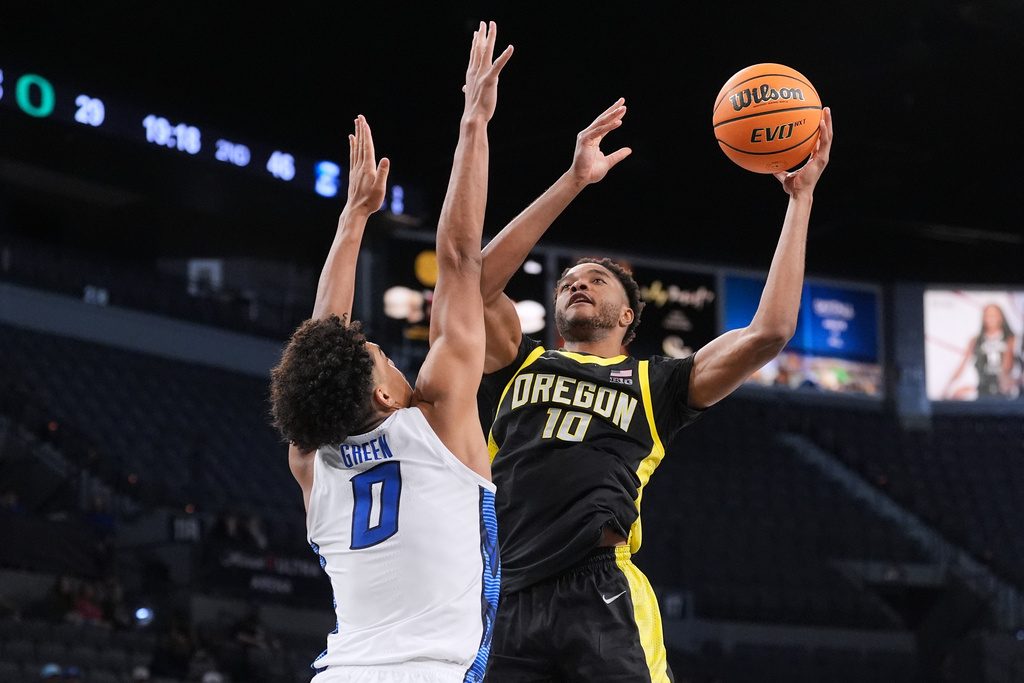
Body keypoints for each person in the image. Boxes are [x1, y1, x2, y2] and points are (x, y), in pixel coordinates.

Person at [477, 103, 833, 681]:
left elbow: (771, 331)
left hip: (599, 588)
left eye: (595, 279)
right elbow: (477, 282)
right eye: (568, 281)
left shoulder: (656, 383)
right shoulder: (517, 362)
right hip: (505, 591)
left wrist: (800, 200)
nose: (576, 283)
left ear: (626, 315)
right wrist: (573, 182)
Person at [269, 22, 511, 683]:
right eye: (382, 355)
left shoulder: (312, 458)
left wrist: (352, 221)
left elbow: (321, 344)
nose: (386, 351)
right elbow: (461, 259)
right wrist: (473, 123)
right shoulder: (438, 425)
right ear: (382, 395)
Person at [943, 303, 1017, 400]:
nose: (991, 318)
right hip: (982, 390)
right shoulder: (975, 341)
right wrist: (949, 387)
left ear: (1001, 317)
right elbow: (962, 366)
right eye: (988, 315)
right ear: (984, 318)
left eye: (994, 315)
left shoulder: (1011, 339)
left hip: (1007, 391)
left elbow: (1009, 366)